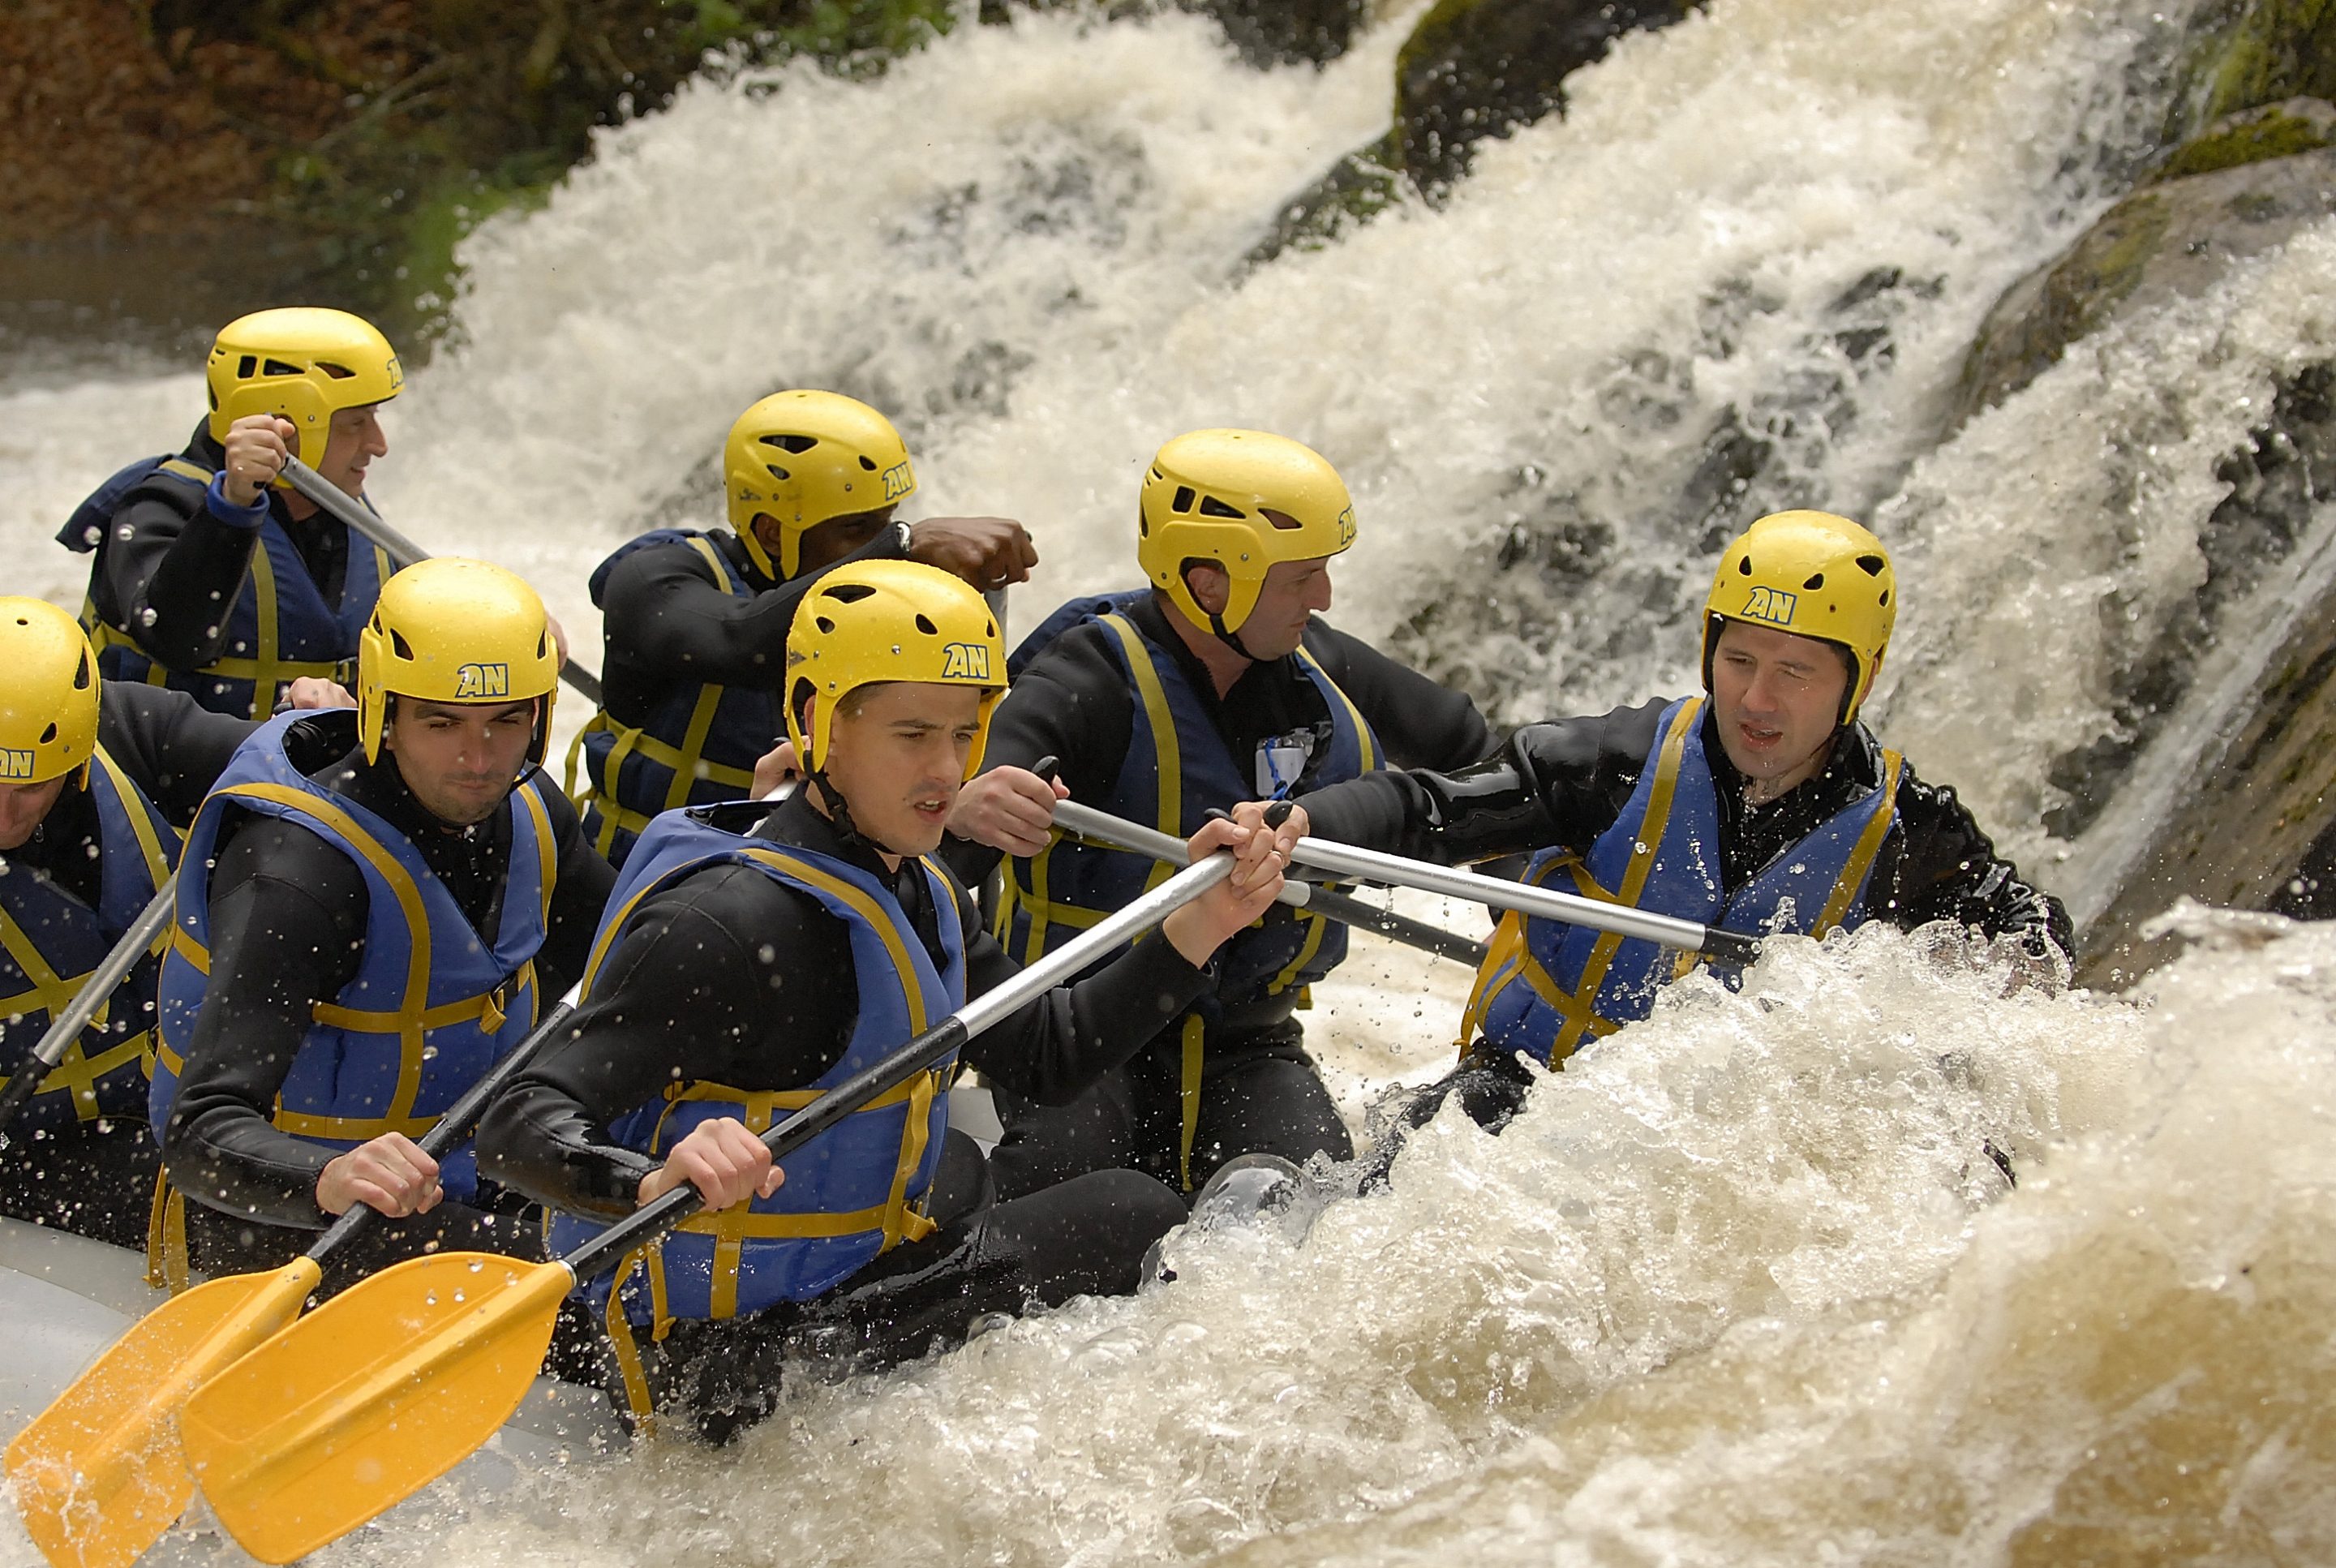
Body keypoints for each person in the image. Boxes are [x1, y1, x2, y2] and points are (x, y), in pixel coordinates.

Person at [478, 560, 1290, 1441]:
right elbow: (518, 1122)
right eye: (912, 735)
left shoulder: (908, 881)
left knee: (1011, 1179)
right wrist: (652, 1177)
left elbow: (1045, 1054)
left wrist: (1208, 918)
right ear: (814, 723)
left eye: (966, 732)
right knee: (1135, 1214)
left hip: (836, 1286)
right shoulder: (725, 925)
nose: (948, 770)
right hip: (722, 1362)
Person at [1234, 509, 2075, 1141]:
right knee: (1395, 1180)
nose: (1757, 700)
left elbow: (2031, 928)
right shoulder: (1617, 760)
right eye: (1738, 659)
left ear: (1863, 678)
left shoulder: (1903, 831)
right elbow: (1433, 808)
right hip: (1532, 1088)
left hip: (1723, 1153)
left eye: (1795, 672)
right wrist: (1303, 821)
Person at [942, 429, 1493, 1198]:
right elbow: (926, 870)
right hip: (1081, 1035)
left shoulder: (1316, 664)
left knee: (1329, 1216)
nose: (1324, 597)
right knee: (1083, 1218)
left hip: (1247, 1040)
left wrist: (1536, 894)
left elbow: (1480, 762)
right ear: (1209, 583)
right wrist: (963, 815)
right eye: (1302, 578)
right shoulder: (1090, 679)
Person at [149, 559, 617, 1295]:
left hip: (462, 1173)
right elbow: (199, 1132)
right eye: (442, 723)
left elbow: (635, 962)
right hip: (299, 1220)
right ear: (382, 713)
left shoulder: (531, 811)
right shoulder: (297, 876)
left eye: (507, 722)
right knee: (609, 1285)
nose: (479, 759)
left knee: (662, 1242)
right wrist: (329, 1175)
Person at [567, 389, 1038, 866]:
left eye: (886, 524)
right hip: (639, 877)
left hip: (795, 876)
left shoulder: (876, 614)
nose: (871, 547)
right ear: (774, 532)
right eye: (857, 531)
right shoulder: (652, 580)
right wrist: (902, 545)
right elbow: (741, 643)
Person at [0, 599, 298, 1249]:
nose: (3, 811)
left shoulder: (124, 728)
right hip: (29, 1145)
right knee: (239, 1222)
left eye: (29, 785)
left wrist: (323, 718)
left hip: (173, 1095)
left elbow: (295, 765)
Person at [58, 307, 405, 720]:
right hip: (174, 776)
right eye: (355, 423)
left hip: (294, 771)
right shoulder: (157, 507)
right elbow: (176, 638)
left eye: (374, 419)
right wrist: (234, 506)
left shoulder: (347, 516)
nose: (378, 444)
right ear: (285, 421)